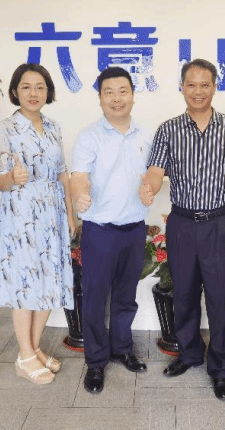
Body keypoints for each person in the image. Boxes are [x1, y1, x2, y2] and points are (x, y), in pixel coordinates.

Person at [142, 58, 225, 401]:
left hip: (219, 223)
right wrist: (148, 187)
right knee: (185, 294)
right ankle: (190, 354)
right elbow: (156, 171)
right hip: (181, 223)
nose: (198, 91)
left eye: (205, 84)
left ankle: (220, 367)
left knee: (222, 297)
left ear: (214, 87)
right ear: (182, 88)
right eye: (191, 84)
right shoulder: (168, 129)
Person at [0, 63, 75, 385]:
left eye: (40, 87)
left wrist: (70, 216)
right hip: (21, 216)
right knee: (25, 283)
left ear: (48, 91)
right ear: (15, 91)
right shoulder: (5, 129)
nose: (33, 93)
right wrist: (12, 177)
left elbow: (63, 174)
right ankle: (25, 355)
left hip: (52, 214)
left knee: (49, 281)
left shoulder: (53, 127)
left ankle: (34, 348)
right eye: (26, 87)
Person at [70, 67, 153, 394]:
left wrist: (151, 189)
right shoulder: (89, 136)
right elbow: (79, 175)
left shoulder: (147, 135)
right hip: (100, 231)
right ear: (100, 98)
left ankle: (122, 349)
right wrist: (81, 193)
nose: (117, 98)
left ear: (132, 95)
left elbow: (154, 176)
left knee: (125, 296)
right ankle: (95, 361)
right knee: (94, 298)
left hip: (134, 229)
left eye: (123, 91)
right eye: (109, 92)